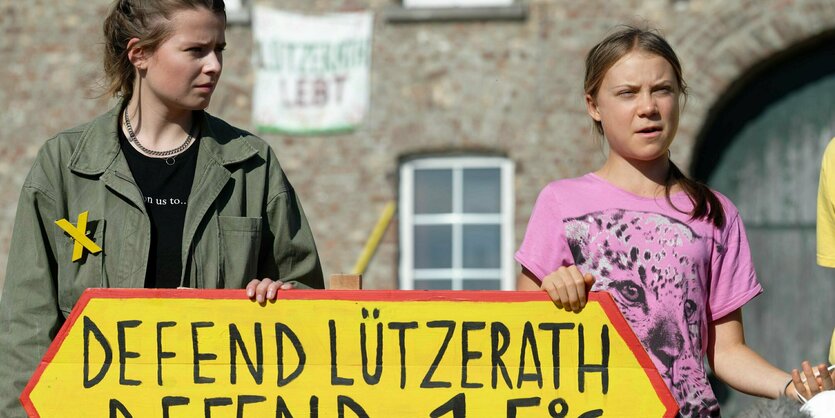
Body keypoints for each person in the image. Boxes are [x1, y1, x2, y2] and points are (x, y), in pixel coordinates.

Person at [0, 0, 323, 415]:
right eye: (196, 51)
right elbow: (26, 326)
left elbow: (311, 304)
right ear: (140, 55)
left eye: (219, 49)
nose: (214, 66)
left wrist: (285, 297)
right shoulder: (65, 166)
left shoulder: (251, 165)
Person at [515, 26, 834, 417]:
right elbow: (517, 335)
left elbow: (726, 351)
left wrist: (795, 388)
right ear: (593, 105)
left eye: (662, 90)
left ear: (680, 98)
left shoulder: (716, 213)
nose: (647, 107)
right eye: (627, 93)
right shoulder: (561, 203)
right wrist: (551, 292)